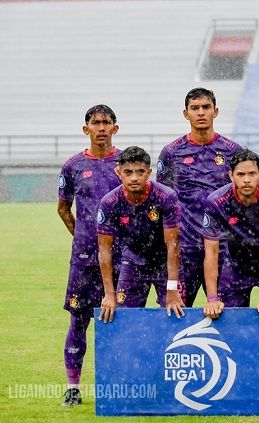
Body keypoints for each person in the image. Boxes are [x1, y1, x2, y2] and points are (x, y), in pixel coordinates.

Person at [57, 105, 122, 407]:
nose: (100, 128)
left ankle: (116, 384)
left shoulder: (125, 164)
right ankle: (73, 387)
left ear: (115, 128)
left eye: (106, 123)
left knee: (119, 320)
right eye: (94, 123)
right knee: (79, 320)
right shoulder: (72, 166)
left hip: (122, 260)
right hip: (84, 260)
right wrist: (82, 236)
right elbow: (62, 208)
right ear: (86, 129)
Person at [157, 87, 240, 306]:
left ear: (216, 111)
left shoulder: (232, 152)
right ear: (186, 114)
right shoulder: (171, 153)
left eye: (206, 107)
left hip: (223, 249)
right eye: (195, 108)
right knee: (176, 314)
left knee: (227, 316)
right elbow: (163, 200)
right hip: (185, 250)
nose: (201, 112)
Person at [202, 148, 259, 319]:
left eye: (252, 174)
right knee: (229, 322)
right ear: (231, 175)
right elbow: (211, 252)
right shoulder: (216, 201)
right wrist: (212, 298)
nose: (246, 180)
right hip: (236, 267)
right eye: (241, 174)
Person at [97, 146, 184, 322]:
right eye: (128, 172)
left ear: (149, 172)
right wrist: (108, 293)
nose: (134, 178)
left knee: (175, 316)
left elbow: (173, 244)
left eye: (140, 172)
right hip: (132, 263)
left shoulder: (166, 197)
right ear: (118, 172)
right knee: (123, 319)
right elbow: (104, 249)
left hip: (164, 264)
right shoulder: (109, 202)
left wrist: (172, 289)